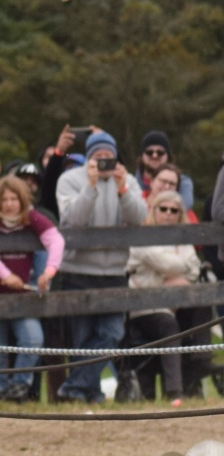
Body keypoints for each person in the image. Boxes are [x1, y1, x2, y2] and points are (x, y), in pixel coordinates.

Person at [55, 130, 147, 403]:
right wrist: (91, 186)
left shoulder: (127, 179)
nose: (105, 160)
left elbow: (139, 217)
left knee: (112, 333)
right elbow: (75, 220)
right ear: (89, 157)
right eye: (99, 155)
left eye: (109, 155)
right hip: (79, 270)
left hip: (116, 271)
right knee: (83, 339)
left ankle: (73, 388)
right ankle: (90, 392)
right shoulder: (70, 179)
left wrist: (123, 190)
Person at [0, 176, 64, 402]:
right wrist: (5, 274)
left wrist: (49, 271)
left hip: (21, 295)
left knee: (32, 339)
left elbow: (56, 240)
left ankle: (19, 386)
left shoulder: (31, 218)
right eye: (4, 199)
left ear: (22, 200)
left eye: (14, 199)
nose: (9, 204)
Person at [125, 190, 206, 400]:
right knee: (168, 324)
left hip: (174, 304)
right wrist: (181, 269)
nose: (169, 214)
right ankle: (175, 392)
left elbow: (195, 268)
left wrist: (177, 278)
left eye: (174, 210)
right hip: (145, 305)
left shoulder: (182, 238)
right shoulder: (143, 235)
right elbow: (167, 263)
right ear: (154, 210)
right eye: (164, 209)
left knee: (200, 310)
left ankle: (195, 378)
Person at [135, 130, 194, 211]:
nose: (154, 155)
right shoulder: (130, 183)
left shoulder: (183, 182)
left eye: (160, 152)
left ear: (168, 156)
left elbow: (184, 206)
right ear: (141, 155)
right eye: (149, 152)